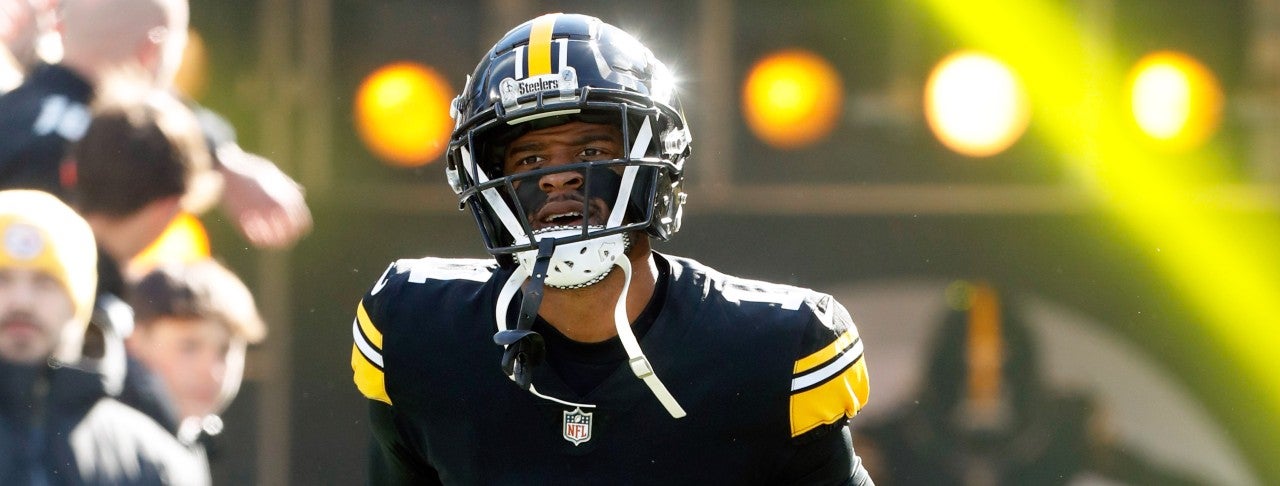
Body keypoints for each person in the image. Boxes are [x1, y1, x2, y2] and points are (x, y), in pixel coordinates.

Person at [350, 13, 873, 485]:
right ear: (486, 179)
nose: (559, 178)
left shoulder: (774, 348)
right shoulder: (417, 331)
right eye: (530, 159)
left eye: (591, 150)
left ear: (654, 164)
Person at [0, 0, 312, 249]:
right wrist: (224, 160)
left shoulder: (10, 111)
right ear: (152, 48)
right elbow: (150, 113)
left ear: (59, 25)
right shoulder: (134, 146)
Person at [852, 281, 1207, 485]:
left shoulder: (1065, 430)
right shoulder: (894, 440)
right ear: (946, 362)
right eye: (969, 361)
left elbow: (1148, 475)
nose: (984, 378)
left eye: (1000, 359)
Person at [0, 189, 208, 485]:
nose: (21, 301)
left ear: (79, 300)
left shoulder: (153, 461)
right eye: (2, 279)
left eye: (45, 282)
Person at [124, 259, 267, 446]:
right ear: (135, 343)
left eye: (225, 350)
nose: (210, 371)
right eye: (189, 346)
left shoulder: (192, 440)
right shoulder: (111, 442)